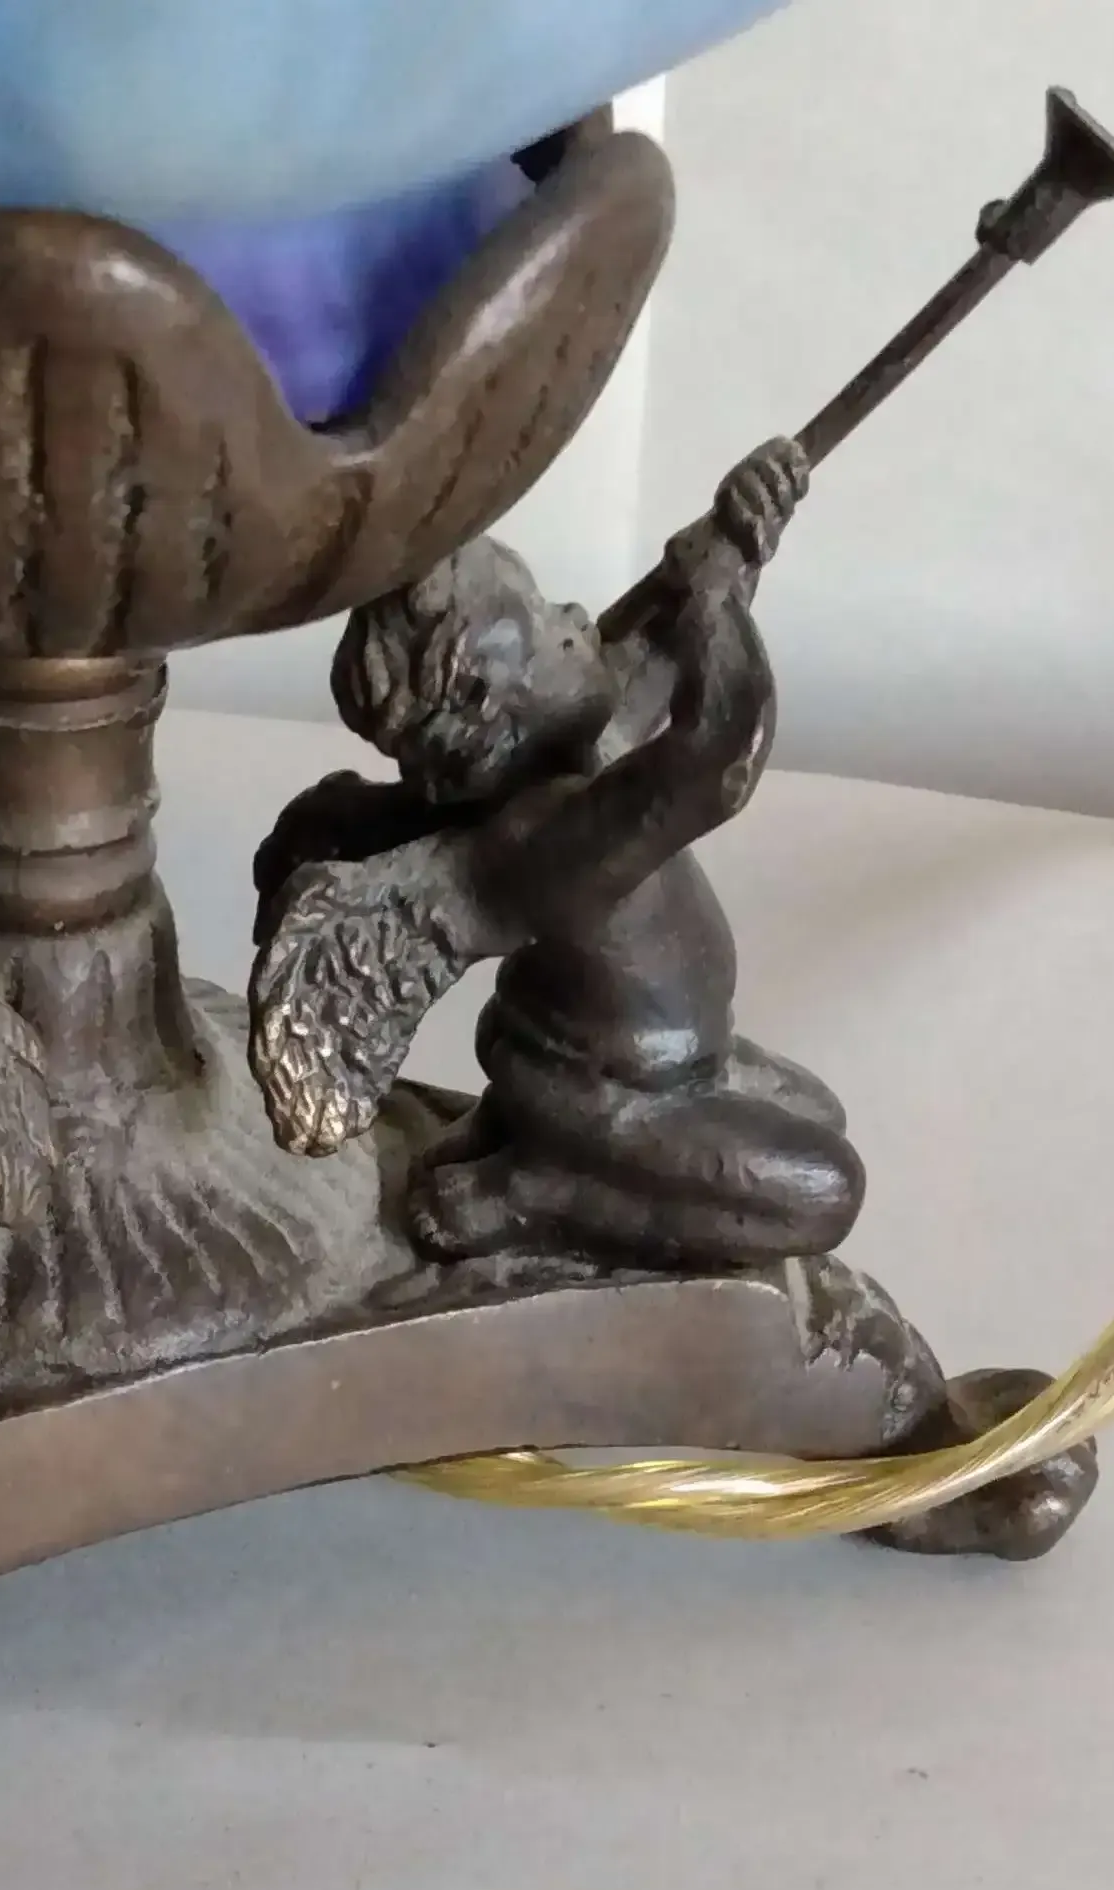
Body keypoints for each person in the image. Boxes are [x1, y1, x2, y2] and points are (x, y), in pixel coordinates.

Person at [252, 438, 865, 1269]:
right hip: (616, 1095)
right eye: (544, 626)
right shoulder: (548, 833)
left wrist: (738, 534)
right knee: (828, 1188)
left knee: (819, 1114)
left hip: (677, 1064)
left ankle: (522, 1146)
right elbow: (716, 760)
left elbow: (656, 656)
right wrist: (715, 605)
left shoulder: (569, 757)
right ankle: (542, 1190)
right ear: (493, 709)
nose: (577, 617)